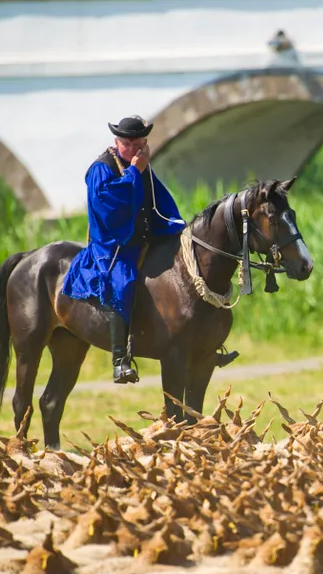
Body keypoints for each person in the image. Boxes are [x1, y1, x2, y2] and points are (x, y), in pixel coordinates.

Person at [60, 115, 237, 383]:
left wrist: (179, 227)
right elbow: (110, 207)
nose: (133, 149)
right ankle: (120, 360)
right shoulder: (102, 168)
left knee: (185, 271)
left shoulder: (141, 166)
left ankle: (205, 344)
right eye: (128, 143)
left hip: (144, 238)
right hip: (114, 245)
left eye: (139, 143)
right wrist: (135, 171)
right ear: (117, 141)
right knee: (123, 281)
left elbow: (159, 200)